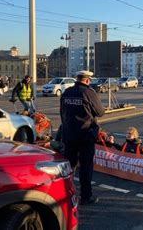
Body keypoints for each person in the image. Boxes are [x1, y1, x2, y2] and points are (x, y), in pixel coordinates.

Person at [60, 70, 105, 205]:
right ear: (87, 80)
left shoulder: (67, 92)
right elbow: (100, 112)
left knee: (69, 166)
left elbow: (62, 112)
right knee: (86, 167)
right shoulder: (89, 93)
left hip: (69, 135)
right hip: (85, 135)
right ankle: (86, 196)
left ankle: (65, 194)